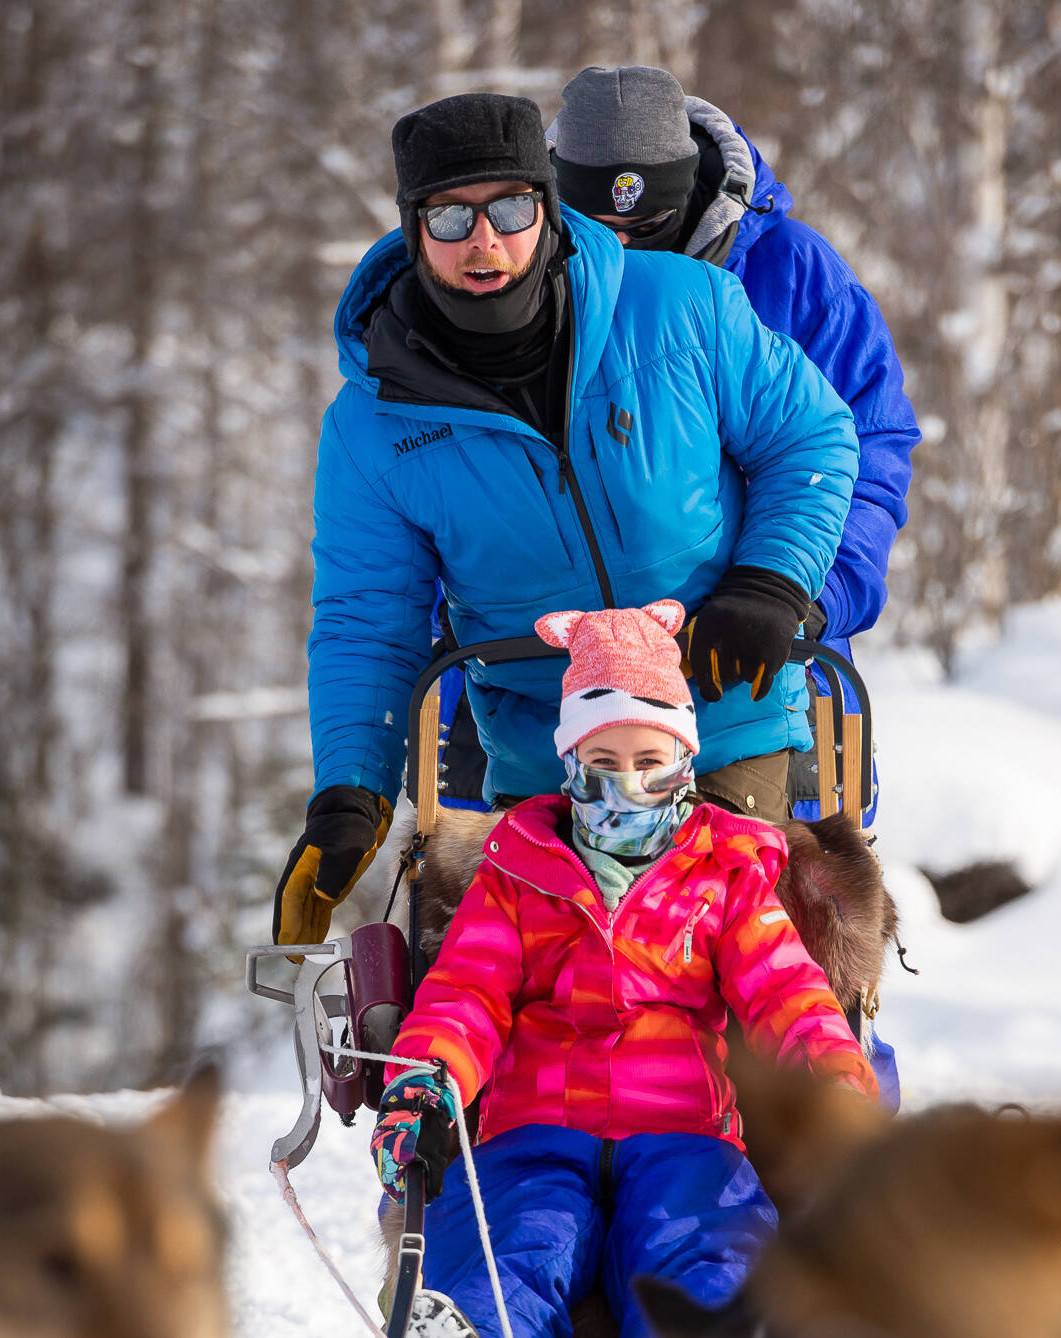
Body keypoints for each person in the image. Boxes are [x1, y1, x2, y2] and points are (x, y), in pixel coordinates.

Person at [273, 92, 860, 951]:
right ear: (411, 228)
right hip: (545, 749)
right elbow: (368, 616)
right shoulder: (373, 422)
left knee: (727, 960)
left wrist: (769, 583)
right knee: (554, 994)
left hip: (719, 713)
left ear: (547, 207)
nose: (484, 242)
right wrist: (351, 791)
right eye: (449, 217)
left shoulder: (679, 306)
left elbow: (811, 437)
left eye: (510, 208)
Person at [370, 601, 876, 1338]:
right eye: (601, 764)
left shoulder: (724, 873)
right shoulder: (518, 870)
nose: (625, 786)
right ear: (569, 763)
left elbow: (784, 991)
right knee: (508, 1242)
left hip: (684, 1131)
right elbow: (464, 995)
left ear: (683, 765)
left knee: (707, 1245)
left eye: (649, 763)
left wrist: (835, 1083)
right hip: (536, 1130)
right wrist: (427, 1082)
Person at [548, 65, 920, 681]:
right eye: (598, 235)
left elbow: (867, 444)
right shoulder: (508, 280)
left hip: (752, 641)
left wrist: (804, 597)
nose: (623, 257)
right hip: (548, 661)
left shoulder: (795, 272)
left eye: (646, 231)